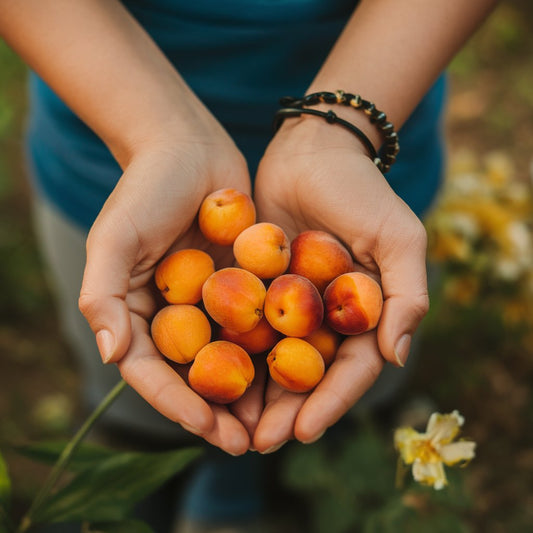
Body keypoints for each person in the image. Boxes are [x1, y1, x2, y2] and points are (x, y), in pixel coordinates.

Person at [0, 0, 498, 531]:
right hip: (114, 151)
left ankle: (259, 476)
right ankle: (150, 452)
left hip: (367, 158)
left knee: (332, 408)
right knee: (138, 401)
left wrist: (340, 131)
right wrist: (157, 135)